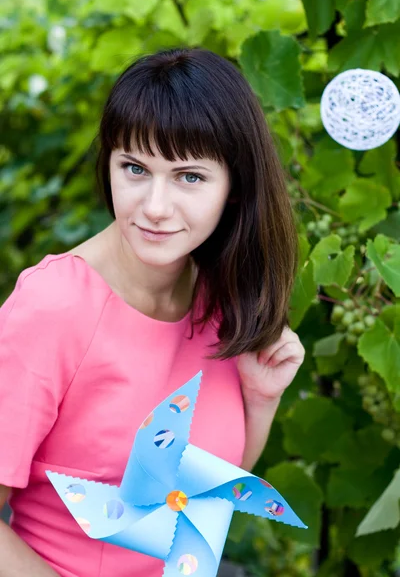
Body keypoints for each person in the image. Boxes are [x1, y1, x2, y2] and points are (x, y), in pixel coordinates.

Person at [0, 47, 305, 577]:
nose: (155, 207)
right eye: (135, 168)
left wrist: (260, 399)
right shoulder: (55, 306)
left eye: (189, 177)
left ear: (235, 188)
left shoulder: (223, 297)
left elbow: (191, 499)